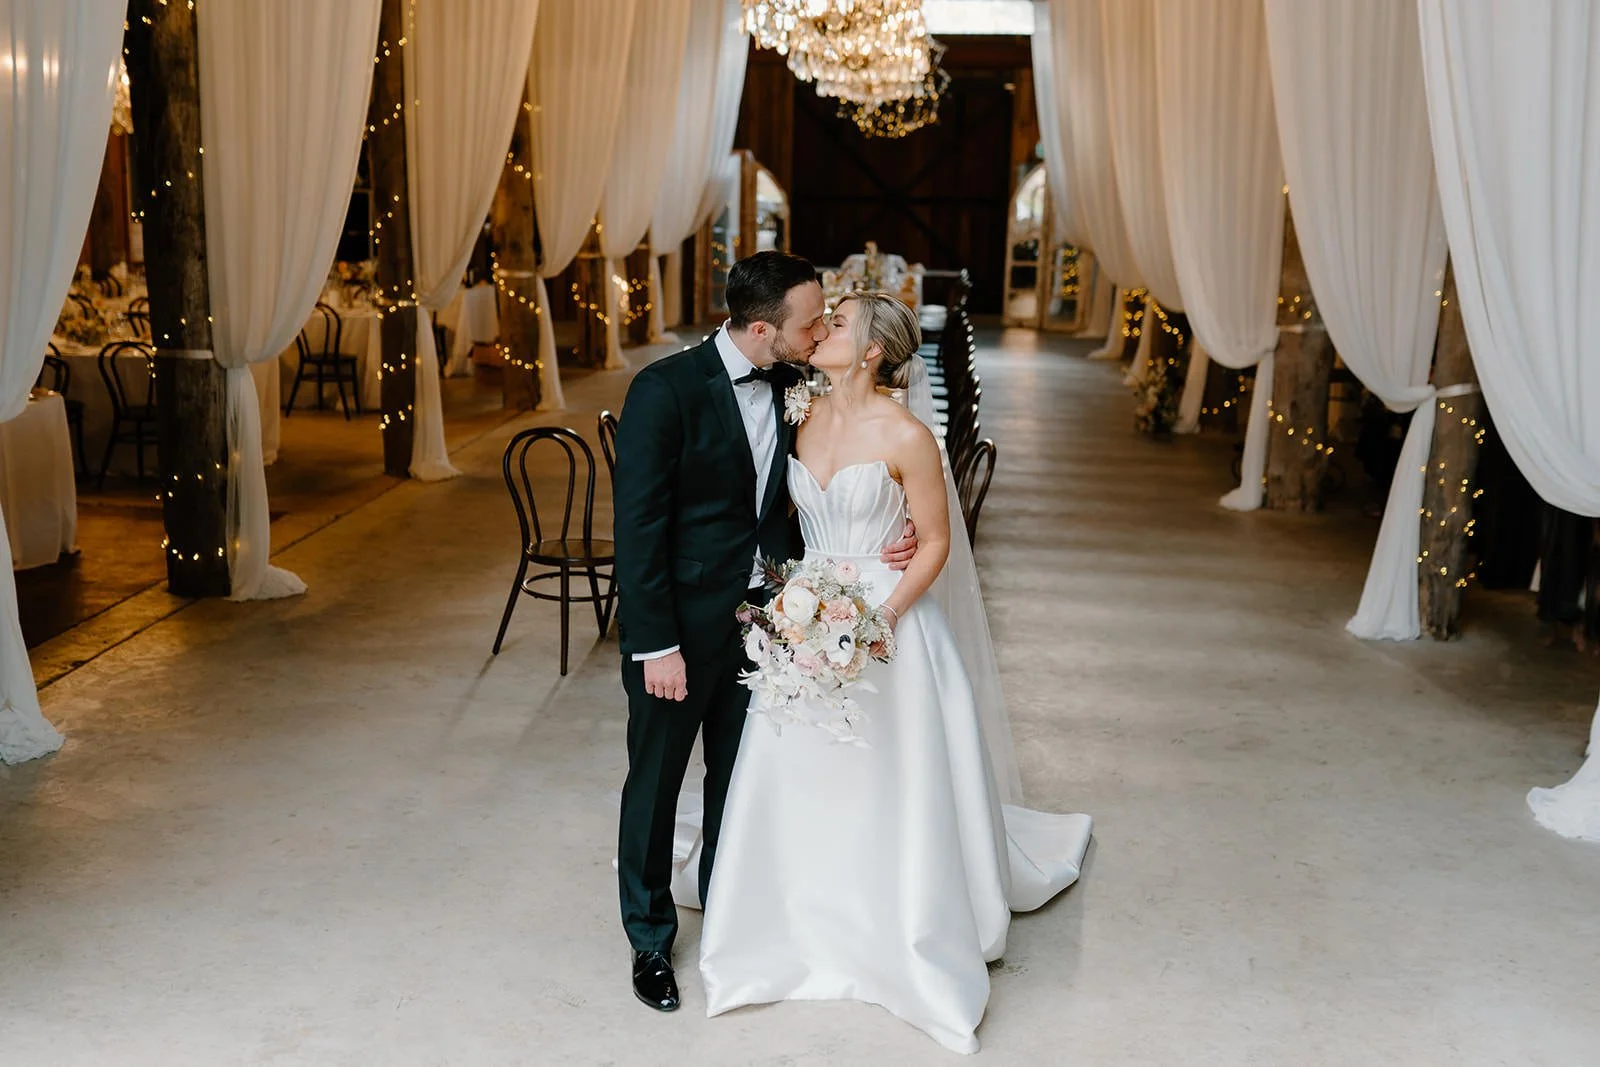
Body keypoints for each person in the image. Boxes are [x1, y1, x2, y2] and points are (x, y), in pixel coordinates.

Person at [696, 292, 1093, 1054]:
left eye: (835, 323)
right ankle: (789, 915)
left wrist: (883, 617)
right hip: (804, 611)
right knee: (800, 771)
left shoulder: (909, 434)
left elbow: (937, 541)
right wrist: (795, 605)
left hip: (886, 620)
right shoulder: (797, 412)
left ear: (873, 350)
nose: (820, 331)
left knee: (890, 777)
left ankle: (897, 923)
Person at [610, 253, 917, 1013]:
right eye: (810, 322)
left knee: (740, 782)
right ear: (759, 327)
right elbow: (638, 529)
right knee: (656, 783)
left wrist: (899, 523)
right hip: (677, 633)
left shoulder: (796, 388)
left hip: (771, 629)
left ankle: (731, 912)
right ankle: (650, 939)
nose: (819, 333)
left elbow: (843, 468)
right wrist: (656, 645)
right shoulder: (664, 391)